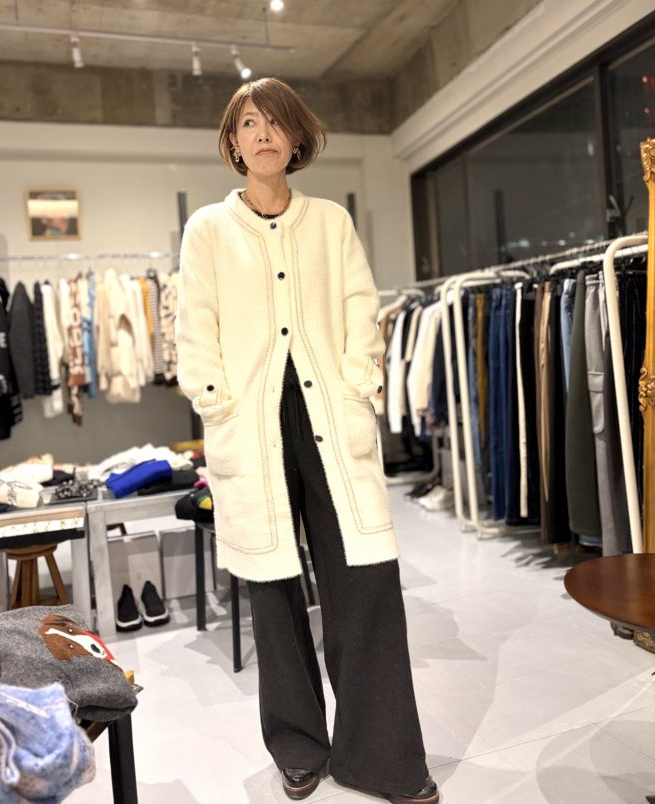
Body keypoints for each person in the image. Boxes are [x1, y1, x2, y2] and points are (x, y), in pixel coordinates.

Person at [175, 77, 438, 804]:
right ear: (233, 143)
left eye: (275, 122)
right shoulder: (208, 229)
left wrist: (357, 383)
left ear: (296, 138)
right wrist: (215, 401)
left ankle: (383, 759)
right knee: (272, 592)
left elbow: (361, 308)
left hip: (330, 418)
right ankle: (297, 747)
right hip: (250, 424)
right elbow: (195, 327)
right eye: (247, 124)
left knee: (366, 583)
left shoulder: (330, 222)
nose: (262, 134)